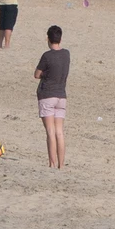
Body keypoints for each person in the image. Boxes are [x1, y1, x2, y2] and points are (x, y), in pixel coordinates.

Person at [35, 25, 69, 169]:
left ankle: (52, 163)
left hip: (48, 94)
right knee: (59, 132)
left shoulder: (47, 56)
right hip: (61, 96)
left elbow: (37, 74)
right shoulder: (66, 54)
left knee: (50, 132)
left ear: (48, 39)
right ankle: (61, 164)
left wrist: (45, 74)